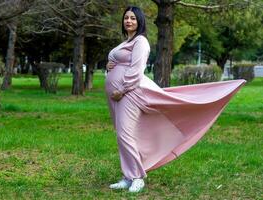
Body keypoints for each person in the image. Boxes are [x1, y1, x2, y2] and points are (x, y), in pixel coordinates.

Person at [105, 5, 246, 193]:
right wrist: (110, 67)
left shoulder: (140, 42)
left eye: (133, 18)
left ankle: (137, 177)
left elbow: (136, 71)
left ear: (139, 21)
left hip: (129, 94)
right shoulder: (126, 42)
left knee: (125, 135)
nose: (128, 21)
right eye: (126, 18)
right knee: (124, 136)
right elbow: (119, 63)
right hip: (117, 96)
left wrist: (121, 90)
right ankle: (127, 176)